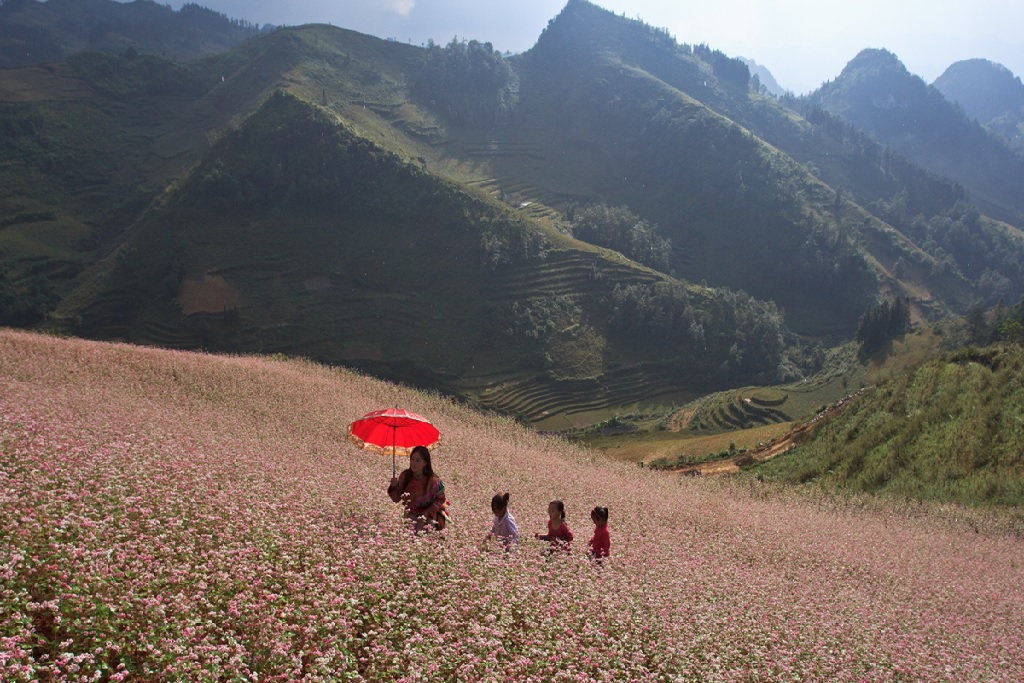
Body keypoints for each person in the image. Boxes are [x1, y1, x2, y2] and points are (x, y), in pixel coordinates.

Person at [387, 445, 448, 531]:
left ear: (425, 463)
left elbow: (440, 499)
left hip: (429, 518)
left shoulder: (433, 481)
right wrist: (393, 486)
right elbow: (396, 499)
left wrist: (428, 512)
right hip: (410, 516)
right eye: (412, 459)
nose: (413, 463)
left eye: (418, 460)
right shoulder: (405, 476)